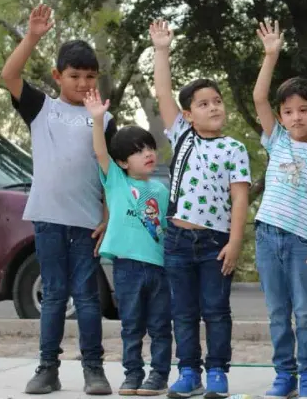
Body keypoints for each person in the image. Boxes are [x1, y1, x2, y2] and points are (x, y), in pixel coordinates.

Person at [1, 4, 116, 396]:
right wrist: (32, 36)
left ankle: (94, 370)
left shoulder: (103, 117)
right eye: (74, 76)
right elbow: (9, 75)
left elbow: (111, 174)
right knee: (52, 295)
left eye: (90, 76)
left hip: (87, 223)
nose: (83, 83)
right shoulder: (41, 109)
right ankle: (47, 367)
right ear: (57, 76)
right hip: (48, 218)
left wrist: (108, 214)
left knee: (86, 297)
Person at [149, 20, 252, 399]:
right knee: (184, 312)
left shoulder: (234, 149)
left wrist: (236, 242)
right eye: (203, 103)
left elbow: (240, 197)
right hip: (177, 239)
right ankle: (188, 371)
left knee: (216, 310)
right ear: (188, 115)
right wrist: (162, 50)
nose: (213, 107)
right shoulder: (183, 136)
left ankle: (218, 373)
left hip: (215, 243)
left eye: (217, 101)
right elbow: (162, 93)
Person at [250, 20, 307, 399]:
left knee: (304, 312)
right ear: (281, 117)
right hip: (268, 236)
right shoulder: (278, 142)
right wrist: (271, 55)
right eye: (288, 112)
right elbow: (258, 98)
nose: (295, 117)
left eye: (304, 110)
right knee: (276, 312)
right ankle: (283, 375)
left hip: (304, 242)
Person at [84, 88, 172, 397]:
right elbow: (100, 152)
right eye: (138, 150)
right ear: (122, 162)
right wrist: (97, 120)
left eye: (149, 147)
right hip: (126, 268)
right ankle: (133, 374)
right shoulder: (117, 180)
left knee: (161, 325)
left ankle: (158, 375)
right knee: (132, 325)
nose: (148, 153)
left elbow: (166, 230)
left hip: (159, 269)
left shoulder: (162, 191)